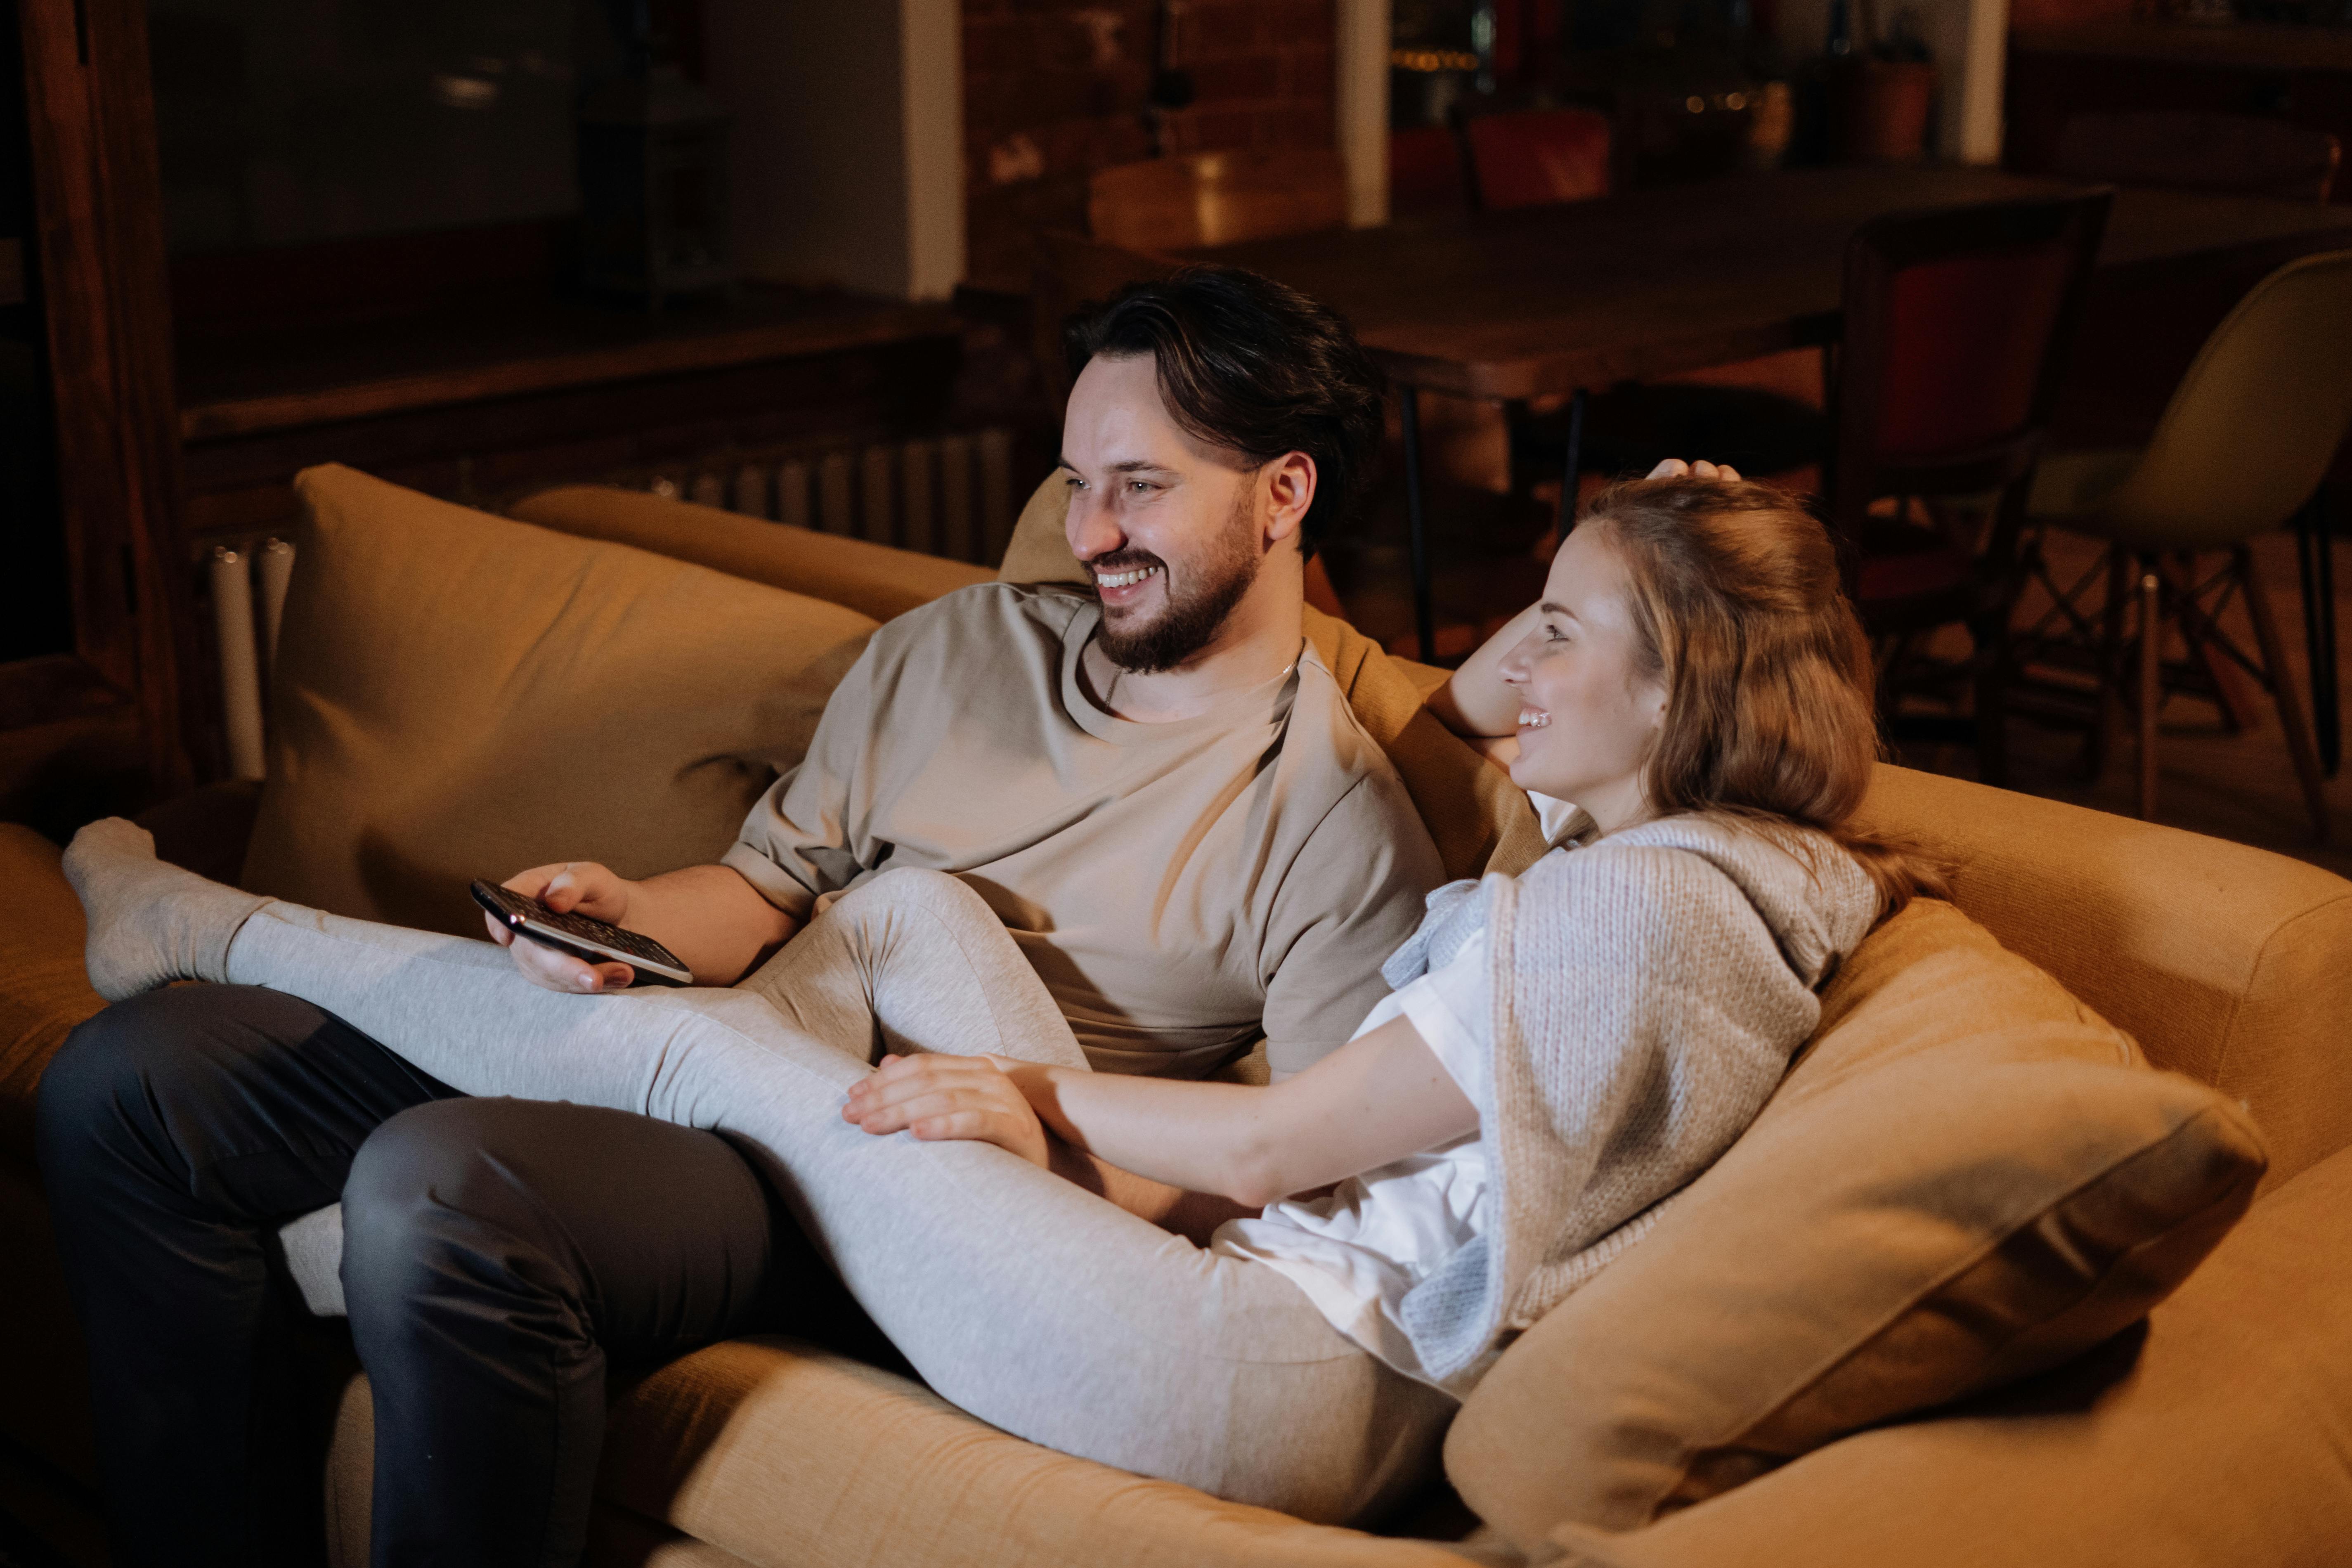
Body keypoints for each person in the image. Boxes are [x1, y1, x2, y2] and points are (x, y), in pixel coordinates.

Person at [36, 267, 1448, 1568]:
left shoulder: (1330, 824)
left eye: (1138, 488)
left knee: (447, 1181)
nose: (1088, 534)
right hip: (735, 1026)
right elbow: (764, 894)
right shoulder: (953, 651)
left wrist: (1054, 1141)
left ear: (1282, 494)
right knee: (143, 1077)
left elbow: (1293, 1173)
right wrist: (623, 913)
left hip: (887, 1181)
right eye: (1075, 481)